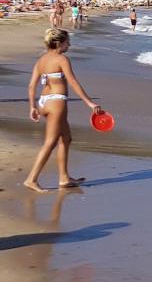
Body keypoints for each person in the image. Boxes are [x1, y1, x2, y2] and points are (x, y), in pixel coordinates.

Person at [24, 29, 104, 193]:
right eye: (67, 42)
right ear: (59, 43)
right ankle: (31, 179)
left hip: (43, 102)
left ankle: (64, 178)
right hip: (56, 103)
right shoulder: (62, 59)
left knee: (66, 138)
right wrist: (89, 103)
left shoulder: (41, 60)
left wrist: (32, 106)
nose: (70, 44)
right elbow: (73, 82)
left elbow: (32, 85)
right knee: (50, 142)